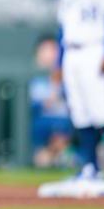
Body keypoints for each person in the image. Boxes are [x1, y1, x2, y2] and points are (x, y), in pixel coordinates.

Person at [38, 0, 104, 198]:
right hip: (73, 51)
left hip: (95, 47)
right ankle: (90, 167)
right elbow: (62, 27)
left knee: (101, 111)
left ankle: (94, 166)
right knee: (81, 112)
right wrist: (59, 63)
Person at [29, 36, 72, 168]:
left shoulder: (70, 74)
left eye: (52, 50)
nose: (49, 54)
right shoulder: (33, 77)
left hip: (67, 130)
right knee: (42, 159)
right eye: (45, 50)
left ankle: (64, 156)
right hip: (42, 132)